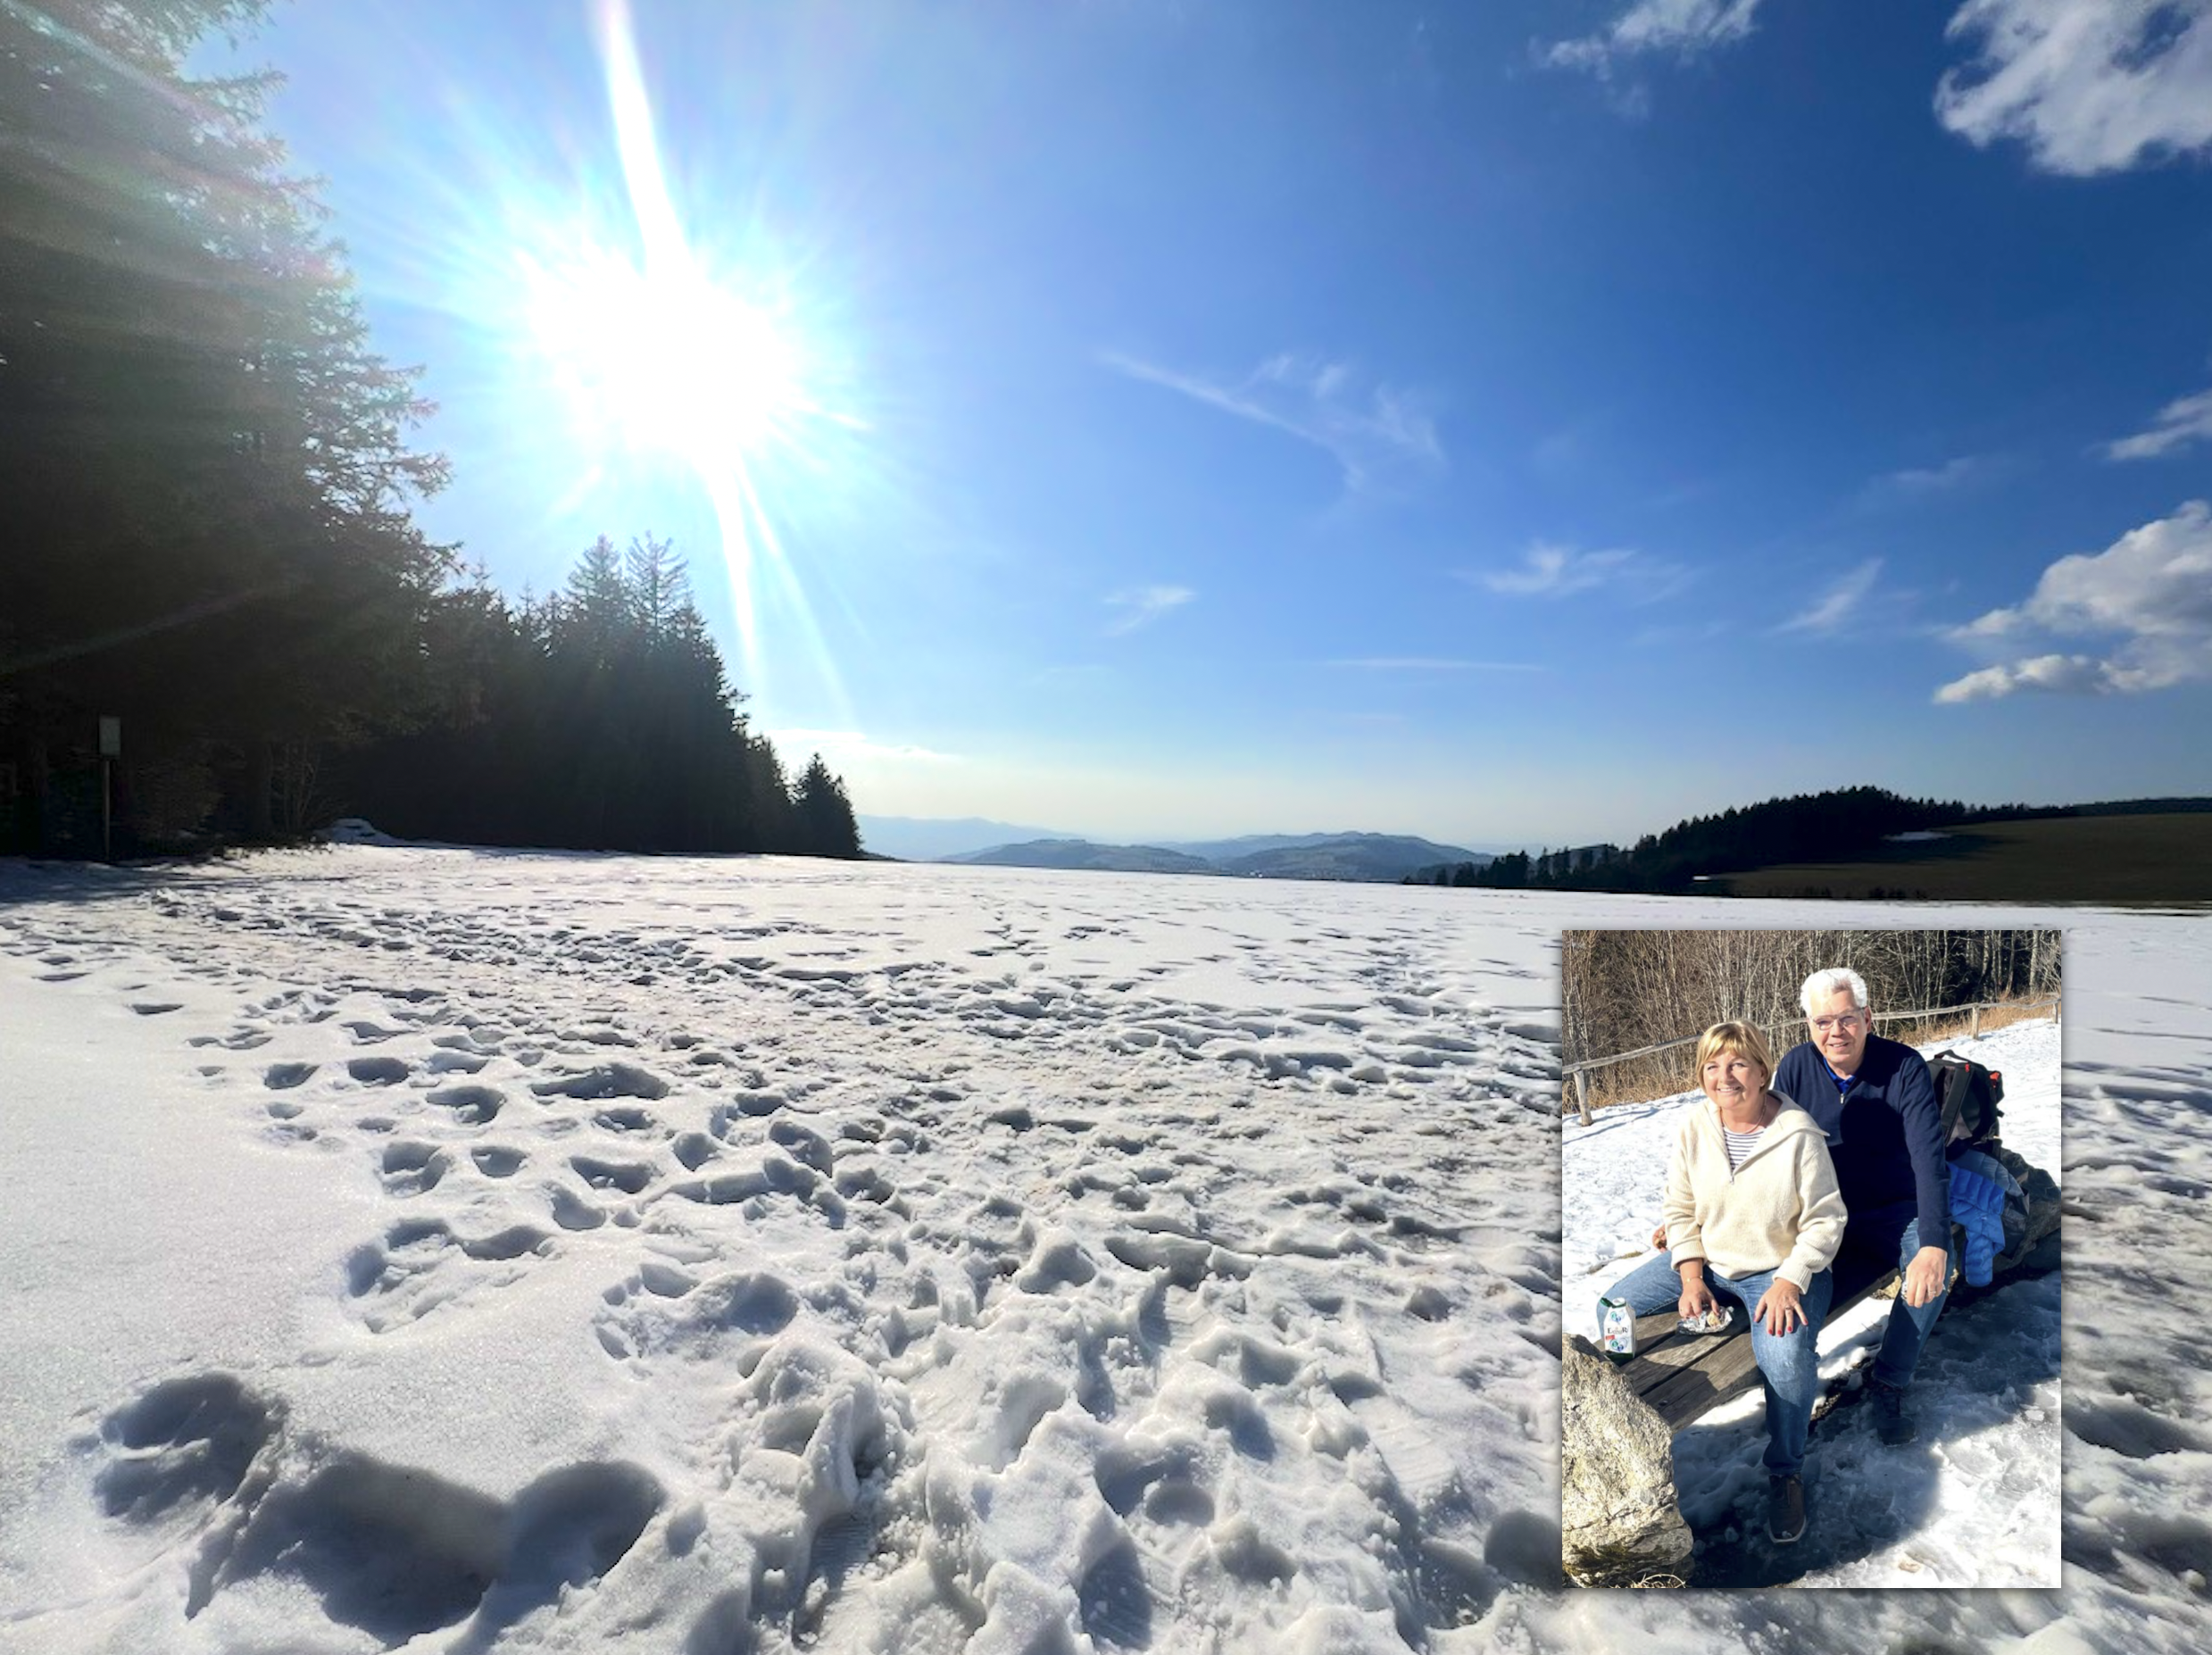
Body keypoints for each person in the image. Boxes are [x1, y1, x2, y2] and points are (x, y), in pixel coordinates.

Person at [1602, 1022, 1844, 1545]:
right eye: (1712, 1066)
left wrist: (1790, 1281)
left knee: (1784, 1362)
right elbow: (1681, 1206)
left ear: (1761, 1071)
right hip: (1711, 1262)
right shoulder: (1695, 1126)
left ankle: (1786, 1471)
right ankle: (1617, 1419)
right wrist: (1690, 1275)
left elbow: (1826, 1221)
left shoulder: (1798, 1134)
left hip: (1781, 1273)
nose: (1724, 1077)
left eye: (1736, 1064)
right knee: (1613, 1304)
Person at [1771, 966, 1955, 1449]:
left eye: (1847, 1018)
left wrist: (1934, 1243)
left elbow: (1929, 1160)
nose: (1836, 1032)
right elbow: (1766, 1147)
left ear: (1868, 1017)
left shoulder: (1903, 1067)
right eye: (1822, 1021)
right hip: (1820, 1213)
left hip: (1891, 1211)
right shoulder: (1794, 1067)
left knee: (1932, 1265)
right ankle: (1778, 1372)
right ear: (1808, 1025)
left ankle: (1889, 1381)